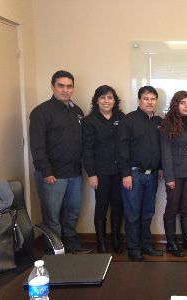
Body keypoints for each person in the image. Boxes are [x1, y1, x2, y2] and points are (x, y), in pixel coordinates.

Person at [29, 70, 92, 254]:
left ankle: (72, 246)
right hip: (52, 175)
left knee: (72, 214)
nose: (65, 90)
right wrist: (46, 171)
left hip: (74, 173)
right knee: (53, 217)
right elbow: (37, 146)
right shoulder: (41, 112)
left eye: (69, 86)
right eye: (61, 86)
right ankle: (55, 252)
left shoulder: (77, 111)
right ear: (53, 87)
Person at [117, 86, 164, 261]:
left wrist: (160, 167)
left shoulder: (159, 121)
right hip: (134, 175)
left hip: (152, 176)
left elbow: (161, 148)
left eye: (153, 99)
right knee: (133, 214)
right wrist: (125, 173)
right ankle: (134, 249)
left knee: (147, 213)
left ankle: (146, 245)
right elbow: (121, 149)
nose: (150, 102)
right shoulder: (129, 120)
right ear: (139, 101)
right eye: (146, 99)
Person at [160, 91, 187, 257]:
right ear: (175, 105)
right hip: (175, 174)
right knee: (172, 208)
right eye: (182, 103)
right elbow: (165, 153)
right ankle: (171, 244)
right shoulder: (168, 124)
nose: (186, 106)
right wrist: (169, 177)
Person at [82, 85, 125, 253]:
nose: (106, 101)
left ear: (115, 101)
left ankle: (115, 239)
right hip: (100, 173)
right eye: (102, 97)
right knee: (101, 207)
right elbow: (87, 150)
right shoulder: (89, 121)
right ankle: (101, 242)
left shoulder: (121, 118)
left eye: (110, 97)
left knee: (117, 206)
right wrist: (91, 174)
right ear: (96, 100)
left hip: (119, 171)